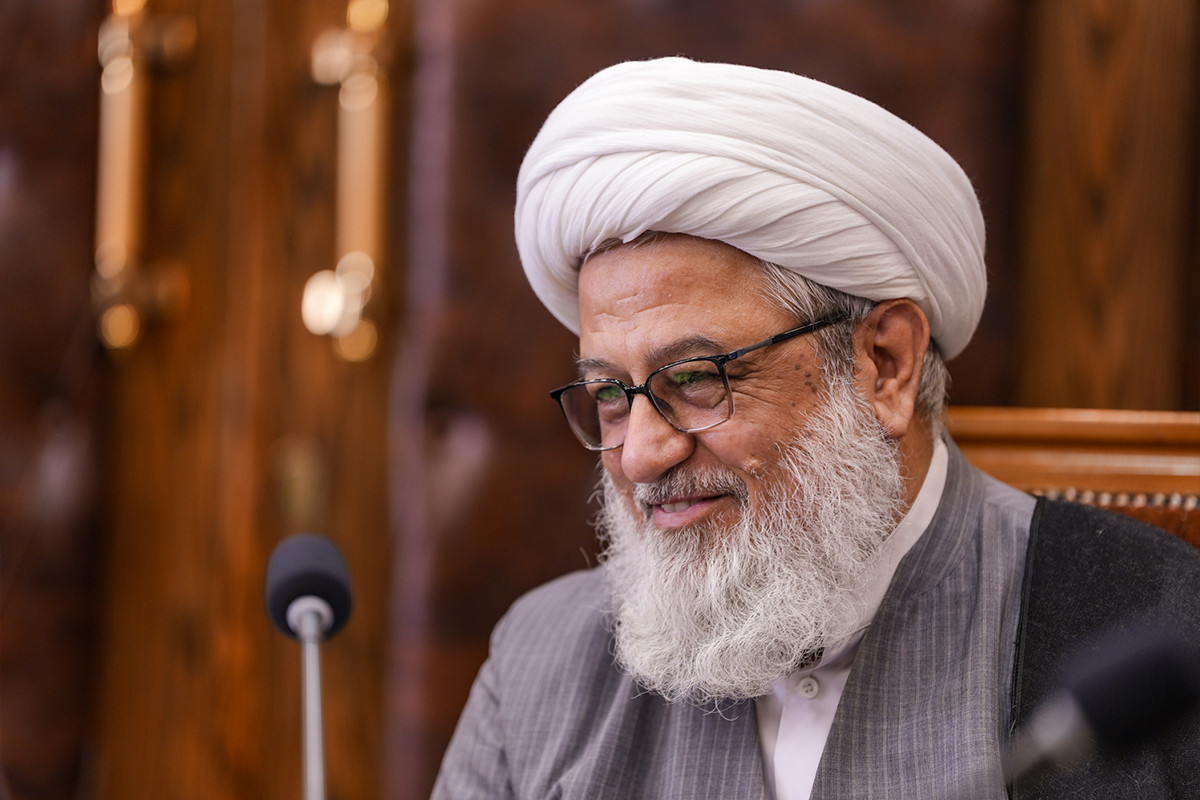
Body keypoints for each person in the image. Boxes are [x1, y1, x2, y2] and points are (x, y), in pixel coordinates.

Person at [431, 57, 1200, 800]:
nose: (639, 454)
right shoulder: (536, 669)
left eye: (696, 378)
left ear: (885, 364)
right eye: (608, 393)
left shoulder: (1158, 632)